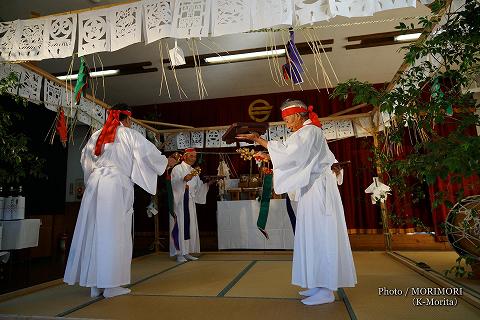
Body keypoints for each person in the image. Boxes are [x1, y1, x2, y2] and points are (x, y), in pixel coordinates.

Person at [236, 99, 357, 306]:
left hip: (319, 192)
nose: (287, 124)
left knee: (321, 235)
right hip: (312, 190)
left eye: (288, 119)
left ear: (299, 116)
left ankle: (327, 289)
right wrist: (269, 153)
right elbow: (296, 157)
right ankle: (318, 283)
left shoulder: (310, 132)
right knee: (312, 236)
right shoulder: (307, 134)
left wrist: (261, 140)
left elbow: (291, 155)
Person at [64, 103, 178, 298]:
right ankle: (111, 285)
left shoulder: (96, 135)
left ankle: (95, 284)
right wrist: (167, 162)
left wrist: (93, 179)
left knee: (95, 232)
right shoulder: (128, 134)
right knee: (114, 232)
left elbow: (85, 161)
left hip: (95, 184)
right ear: (127, 119)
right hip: (115, 185)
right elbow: (149, 156)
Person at [169, 148, 213, 262]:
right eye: (192, 156)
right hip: (180, 202)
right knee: (181, 226)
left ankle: (187, 252)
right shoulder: (177, 169)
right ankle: (179, 253)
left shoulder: (194, 171)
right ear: (185, 156)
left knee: (190, 227)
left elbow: (198, 188)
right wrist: (184, 179)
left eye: (195, 156)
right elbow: (174, 183)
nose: (194, 158)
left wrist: (208, 184)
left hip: (190, 202)